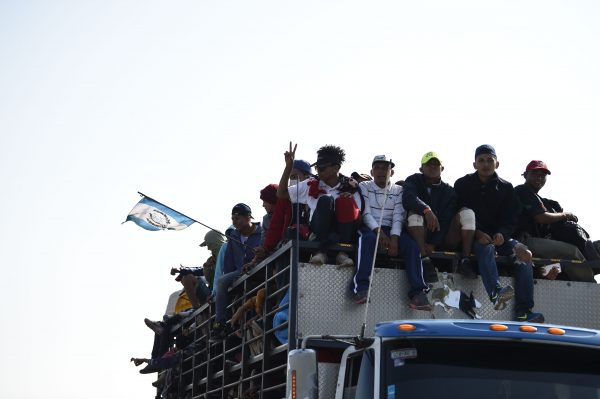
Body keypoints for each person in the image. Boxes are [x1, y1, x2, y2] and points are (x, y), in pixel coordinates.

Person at [454, 144, 544, 323]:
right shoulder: (462, 184)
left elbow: (511, 218)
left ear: (497, 163)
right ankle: (496, 294)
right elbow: (457, 212)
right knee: (485, 247)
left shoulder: (506, 187)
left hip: (500, 238)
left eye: (489, 160)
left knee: (525, 255)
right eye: (481, 160)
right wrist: (478, 233)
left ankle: (523, 312)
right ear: (474, 164)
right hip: (471, 237)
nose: (485, 164)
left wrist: (502, 234)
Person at [351, 155, 432, 310]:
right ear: (372, 171)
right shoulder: (364, 187)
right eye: (378, 168)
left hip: (392, 229)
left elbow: (398, 216)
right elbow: (366, 213)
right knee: (366, 240)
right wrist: (380, 234)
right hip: (371, 228)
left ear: (392, 172)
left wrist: (394, 239)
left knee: (412, 246)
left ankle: (418, 293)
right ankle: (360, 289)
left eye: (386, 168)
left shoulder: (399, 190)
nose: (381, 171)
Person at [278, 142, 359, 267]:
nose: (318, 172)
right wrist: (288, 166)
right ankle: (321, 251)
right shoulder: (311, 183)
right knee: (325, 200)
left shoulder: (351, 186)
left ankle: (342, 253)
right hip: (317, 229)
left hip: (342, 232)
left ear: (336, 168)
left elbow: (359, 216)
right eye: (317, 168)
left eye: (322, 168)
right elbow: (281, 193)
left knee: (346, 201)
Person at [403, 151, 476, 278]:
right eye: (428, 164)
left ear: (442, 168)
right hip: (419, 234)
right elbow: (409, 198)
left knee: (468, 213)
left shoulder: (450, 192)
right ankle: (424, 260)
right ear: (421, 168)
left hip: (443, 237)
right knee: (414, 215)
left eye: (436, 164)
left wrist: (434, 243)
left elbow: (446, 219)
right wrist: (426, 210)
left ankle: (465, 261)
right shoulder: (413, 180)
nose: (432, 167)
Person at [515, 160, 587, 263]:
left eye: (543, 175)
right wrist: (565, 215)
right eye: (534, 173)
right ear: (525, 175)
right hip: (522, 241)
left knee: (579, 247)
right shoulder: (523, 190)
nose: (539, 177)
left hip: (534, 240)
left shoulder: (538, 198)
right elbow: (541, 217)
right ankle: (588, 279)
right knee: (573, 252)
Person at [211, 204, 263, 341]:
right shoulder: (234, 236)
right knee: (222, 281)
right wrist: (229, 282)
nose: (235, 222)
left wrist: (255, 262)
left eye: (238, 218)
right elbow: (228, 263)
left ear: (248, 217)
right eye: (233, 219)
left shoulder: (262, 231)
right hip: (240, 273)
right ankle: (219, 324)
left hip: (260, 269)